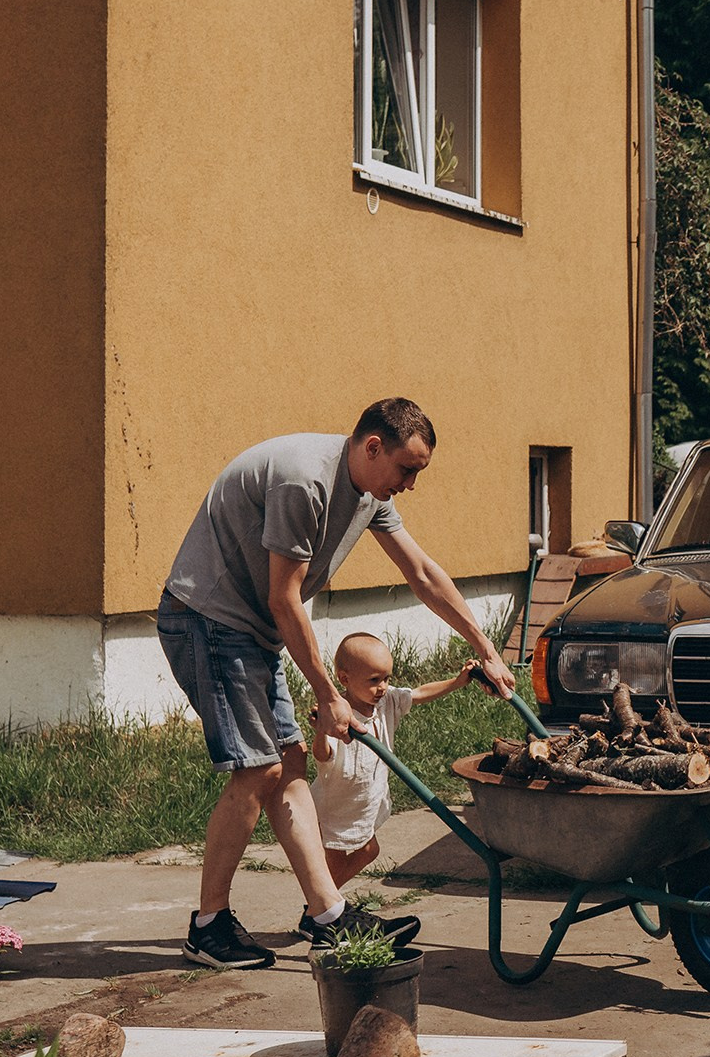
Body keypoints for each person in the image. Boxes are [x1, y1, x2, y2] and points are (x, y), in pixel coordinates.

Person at [158, 398, 516, 969]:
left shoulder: (369, 492)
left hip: (251, 630)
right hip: (209, 617)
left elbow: (421, 572)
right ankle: (208, 925)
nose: (410, 484)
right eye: (407, 469)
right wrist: (328, 696)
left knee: (289, 764)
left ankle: (327, 915)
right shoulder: (306, 481)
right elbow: (284, 597)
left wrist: (486, 650)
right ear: (372, 447)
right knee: (259, 768)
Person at [310, 632, 479, 889]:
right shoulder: (337, 715)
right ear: (344, 678)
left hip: (364, 802)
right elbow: (322, 756)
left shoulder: (386, 702)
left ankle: (322, 905)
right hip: (335, 807)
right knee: (335, 865)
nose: (383, 687)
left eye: (387, 678)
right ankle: (321, 909)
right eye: (374, 680)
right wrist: (322, 730)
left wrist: (457, 682)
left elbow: (419, 693)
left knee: (368, 851)